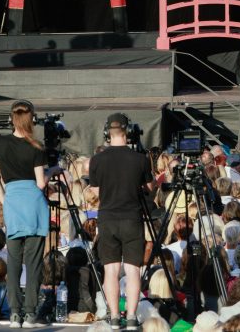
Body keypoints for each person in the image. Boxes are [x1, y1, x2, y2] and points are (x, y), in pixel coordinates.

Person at [89, 114, 153, 331]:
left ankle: (115, 316)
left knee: (111, 271)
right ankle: (133, 316)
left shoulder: (97, 159)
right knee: (133, 270)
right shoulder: (140, 159)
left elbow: (96, 191)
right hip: (132, 218)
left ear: (107, 133)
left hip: (107, 218)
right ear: (128, 131)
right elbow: (150, 189)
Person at [0, 100, 49, 329]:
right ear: (30, 118)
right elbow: (41, 183)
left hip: (13, 201)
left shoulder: (0, 144)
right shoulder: (36, 145)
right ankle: (30, 313)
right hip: (33, 203)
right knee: (33, 263)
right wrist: (53, 171)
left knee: (13, 261)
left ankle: (14, 312)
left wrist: (6, 201)